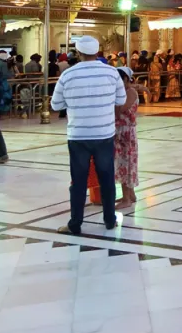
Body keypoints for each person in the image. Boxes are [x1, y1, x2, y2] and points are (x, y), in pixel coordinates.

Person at [51, 35, 127, 235]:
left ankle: (75, 224)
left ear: (78, 53)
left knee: (78, 181)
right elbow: (121, 100)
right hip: (104, 134)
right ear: (97, 52)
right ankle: (109, 220)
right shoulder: (112, 73)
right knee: (106, 178)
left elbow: (55, 105)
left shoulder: (68, 75)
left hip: (78, 136)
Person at [114, 67, 139, 207]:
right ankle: (130, 194)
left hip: (126, 132)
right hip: (121, 131)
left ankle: (126, 199)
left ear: (125, 79)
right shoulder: (125, 91)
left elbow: (120, 109)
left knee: (126, 163)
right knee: (124, 162)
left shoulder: (130, 92)